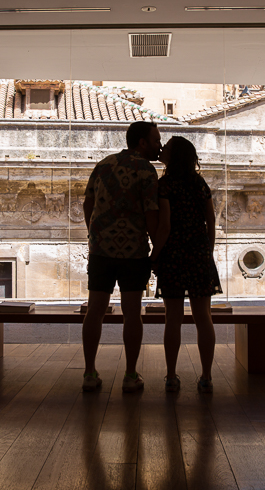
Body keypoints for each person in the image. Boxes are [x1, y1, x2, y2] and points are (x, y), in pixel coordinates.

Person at [81, 121, 161, 393]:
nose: (159, 145)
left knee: (95, 311)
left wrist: (94, 233)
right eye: (155, 140)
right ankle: (130, 374)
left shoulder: (103, 165)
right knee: (132, 314)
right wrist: (158, 247)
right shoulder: (147, 171)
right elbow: (151, 213)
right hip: (133, 252)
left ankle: (90, 372)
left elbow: (88, 203)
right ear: (142, 143)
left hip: (101, 250)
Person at [150, 136, 222, 393]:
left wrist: (154, 255)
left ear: (175, 155)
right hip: (199, 254)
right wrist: (208, 251)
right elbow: (211, 221)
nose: (162, 149)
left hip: (174, 255)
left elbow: (165, 225)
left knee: (173, 318)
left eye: (166, 147)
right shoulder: (199, 183)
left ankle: (171, 375)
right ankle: (206, 376)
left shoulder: (165, 185)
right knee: (204, 317)